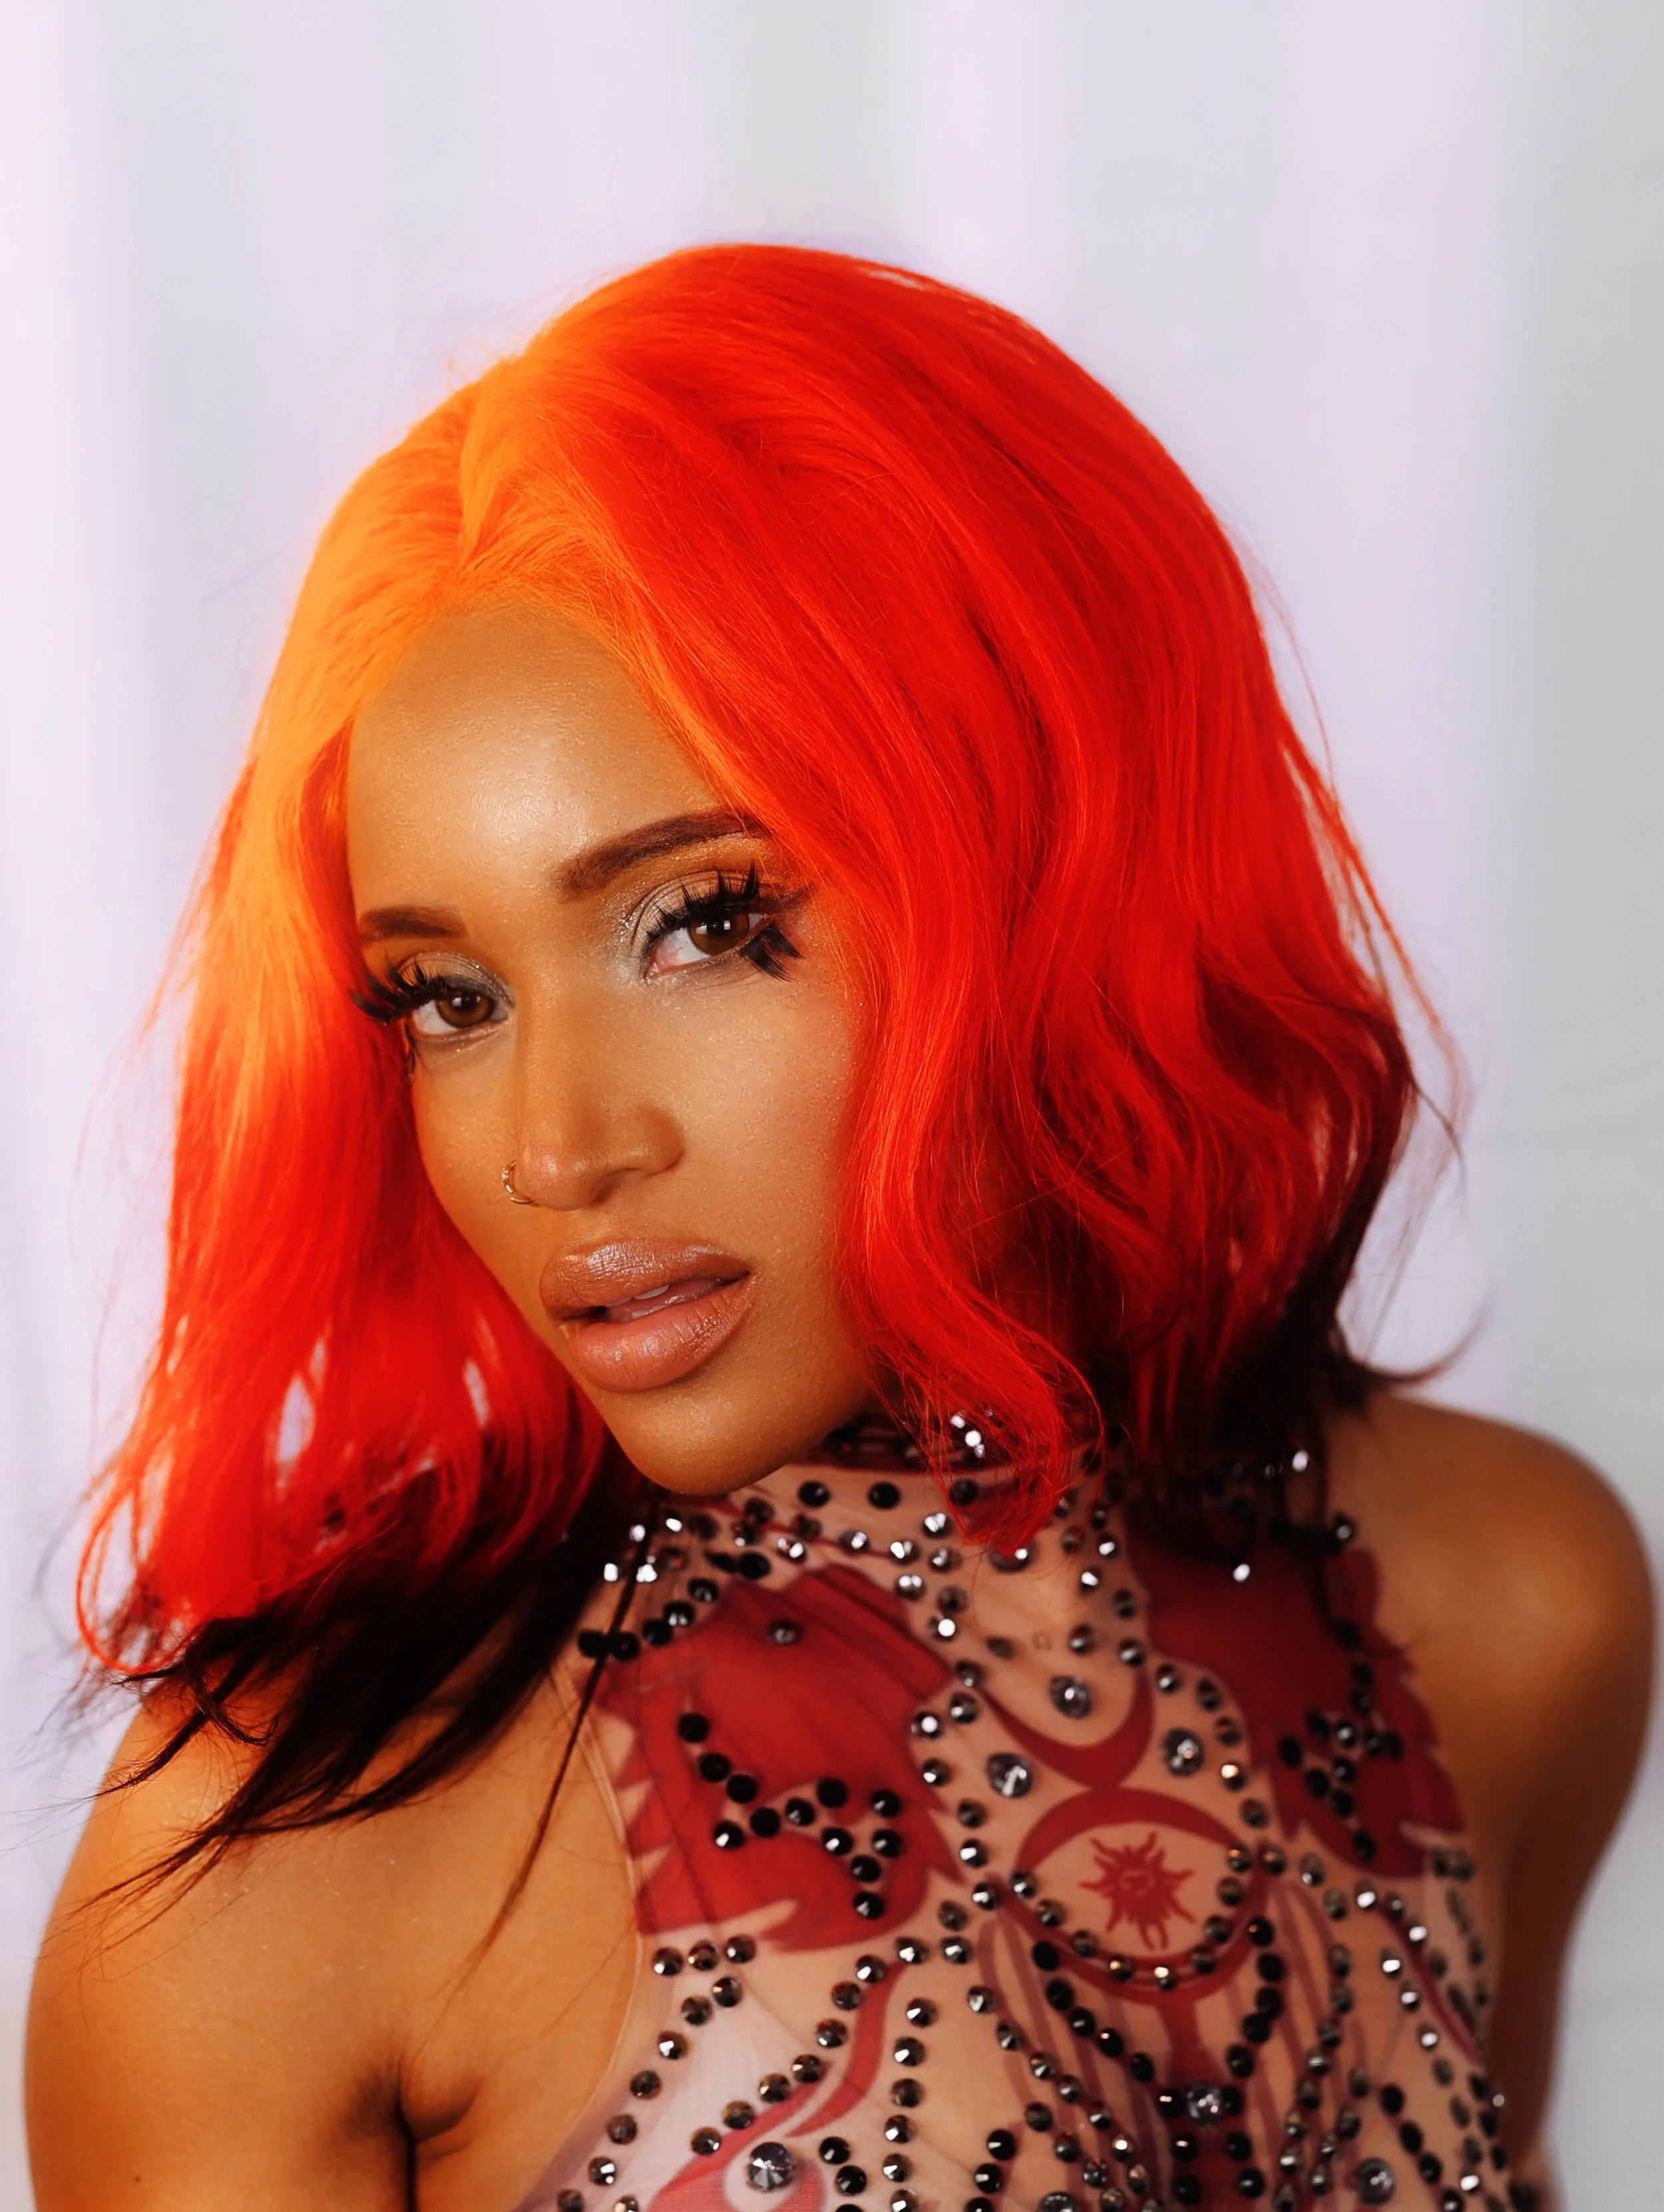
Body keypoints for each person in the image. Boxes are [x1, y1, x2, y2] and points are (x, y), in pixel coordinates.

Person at [24, 246, 1650, 2212]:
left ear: (1055, 861)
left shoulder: (1513, 1593)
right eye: (447, 998)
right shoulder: (295, 1860)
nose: (557, 1150)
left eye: (708, 924)